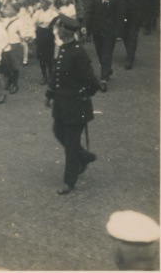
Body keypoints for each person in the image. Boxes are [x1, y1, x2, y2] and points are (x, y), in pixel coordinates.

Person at [45, 13, 100, 195]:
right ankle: (83, 156)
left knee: (70, 143)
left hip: (76, 106)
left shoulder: (78, 53)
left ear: (65, 31)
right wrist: (49, 94)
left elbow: (92, 81)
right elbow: (57, 73)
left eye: (58, 28)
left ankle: (69, 181)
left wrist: (84, 94)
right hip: (62, 104)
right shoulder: (64, 48)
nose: (56, 31)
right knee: (58, 131)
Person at [85, 0, 123, 92]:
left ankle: (103, 79)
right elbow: (89, 11)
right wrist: (85, 26)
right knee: (100, 53)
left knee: (106, 54)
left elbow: (119, 18)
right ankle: (107, 69)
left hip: (109, 32)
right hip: (96, 31)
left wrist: (118, 34)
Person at [115, 0, 149, 70]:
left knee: (133, 37)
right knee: (125, 36)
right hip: (123, 17)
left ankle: (129, 59)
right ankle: (130, 52)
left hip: (135, 17)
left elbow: (145, 3)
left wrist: (145, 18)